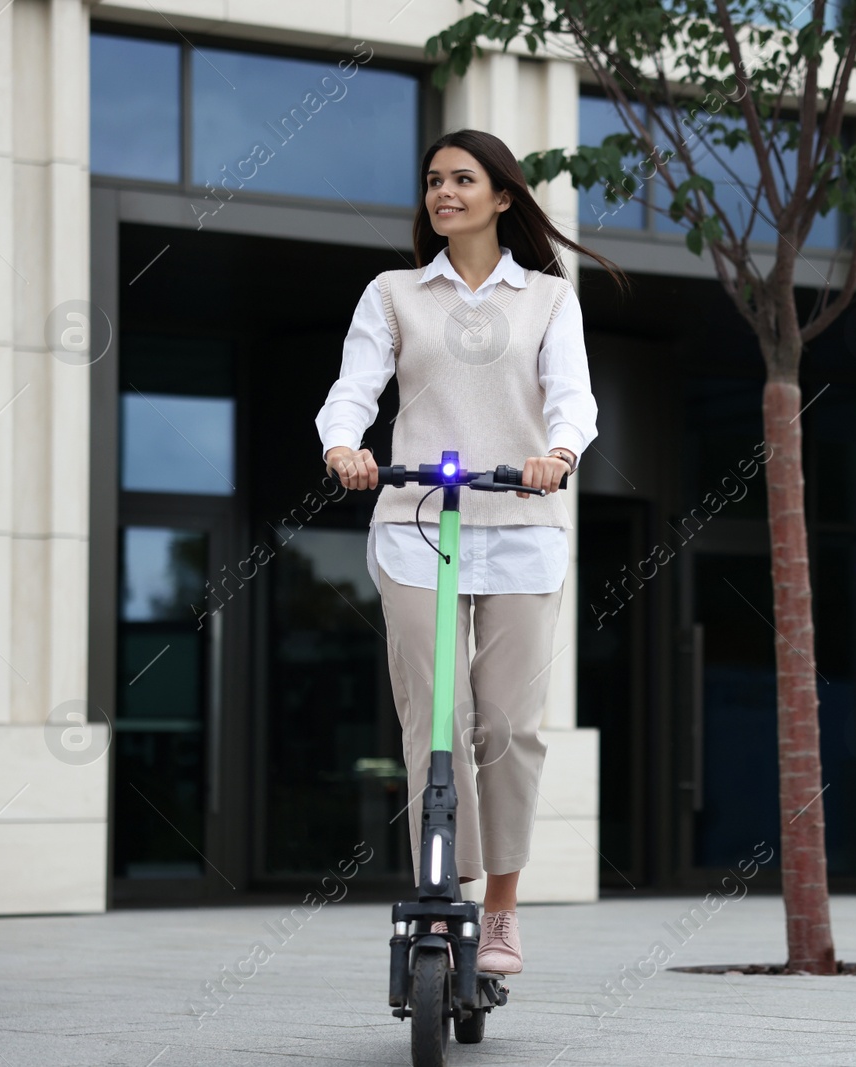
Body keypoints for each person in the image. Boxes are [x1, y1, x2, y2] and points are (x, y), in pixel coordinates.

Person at [316, 129, 623, 974]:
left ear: (501, 198)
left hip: (522, 527)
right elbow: (354, 388)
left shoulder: (549, 299)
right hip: (417, 524)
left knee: (509, 725)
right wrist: (345, 445)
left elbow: (573, 399)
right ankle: (443, 878)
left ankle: (500, 909)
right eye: (432, 181)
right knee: (436, 718)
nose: (442, 192)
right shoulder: (393, 293)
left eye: (461, 179)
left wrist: (557, 457)